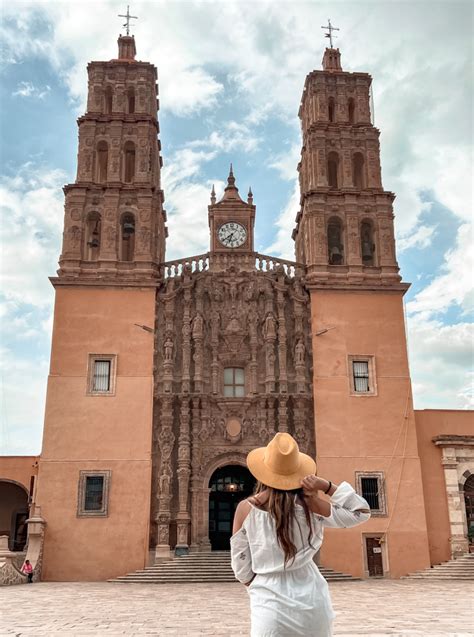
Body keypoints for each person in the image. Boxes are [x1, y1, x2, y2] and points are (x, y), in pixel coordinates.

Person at [230, 432, 371, 637]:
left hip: (269, 606)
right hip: (312, 603)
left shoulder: (247, 509)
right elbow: (361, 512)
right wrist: (325, 486)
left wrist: (259, 585)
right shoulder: (311, 507)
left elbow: (240, 565)